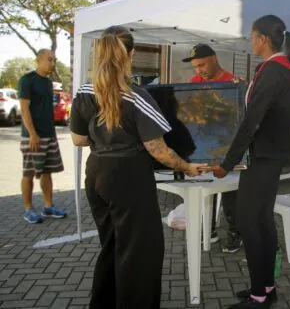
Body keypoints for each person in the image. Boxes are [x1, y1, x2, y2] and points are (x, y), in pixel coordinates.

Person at [69, 25, 205, 309]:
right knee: (139, 252)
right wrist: (188, 167)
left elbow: (79, 139)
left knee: (111, 245)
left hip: (96, 174)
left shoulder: (83, 91)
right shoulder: (136, 96)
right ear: (130, 53)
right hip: (128, 177)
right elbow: (158, 149)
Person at [211, 15, 290, 308]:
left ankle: (259, 295)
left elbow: (252, 120)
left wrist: (227, 162)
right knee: (261, 221)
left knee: (250, 222)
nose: (250, 41)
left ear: (263, 39)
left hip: (262, 156)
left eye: (252, 36)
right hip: (269, 155)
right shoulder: (280, 71)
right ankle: (266, 286)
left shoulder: (273, 71)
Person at [182, 43, 243, 253]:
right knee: (205, 188)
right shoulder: (194, 82)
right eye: (196, 67)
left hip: (226, 147)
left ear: (214, 59)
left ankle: (235, 232)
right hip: (204, 146)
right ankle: (210, 230)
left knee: (229, 192)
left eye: (202, 65)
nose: (199, 71)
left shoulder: (232, 82)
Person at [18, 49, 67, 224]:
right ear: (38, 60)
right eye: (49, 60)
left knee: (47, 172)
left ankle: (48, 206)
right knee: (29, 172)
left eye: (54, 60)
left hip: (49, 135)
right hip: (33, 137)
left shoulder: (47, 83)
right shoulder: (27, 80)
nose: (52, 63)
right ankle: (28, 209)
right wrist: (32, 134)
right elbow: (24, 109)